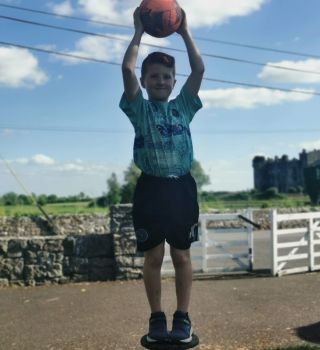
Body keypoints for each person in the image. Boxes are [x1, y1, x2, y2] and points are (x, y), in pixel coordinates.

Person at [119, 6, 204, 344]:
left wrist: (184, 32)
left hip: (181, 188)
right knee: (153, 256)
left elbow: (199, 68)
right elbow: (126, 67)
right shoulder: (139, 109)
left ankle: (182, 317)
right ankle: (157, 317)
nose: (160, 81)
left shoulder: (183, 106)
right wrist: (138, 31)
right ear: (144, 81)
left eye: (166, 77)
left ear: (173, 81)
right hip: (151, 189)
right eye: (153, 76)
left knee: (181, 255)